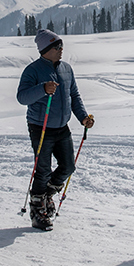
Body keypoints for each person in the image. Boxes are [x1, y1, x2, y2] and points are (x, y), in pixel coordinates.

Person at [16, 29, 95, 230]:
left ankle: (45, 196)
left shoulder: (67, 69)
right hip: (40, 127)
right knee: (42, 170)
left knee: (68, 166)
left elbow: (74, 96)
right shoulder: (32, 71)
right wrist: (43, 89)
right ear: (46, 50)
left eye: (61, 46)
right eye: (57, 47)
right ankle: (37, 211)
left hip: (62, 126)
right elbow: (22, 97)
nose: (61, 50)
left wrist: (83, 118)